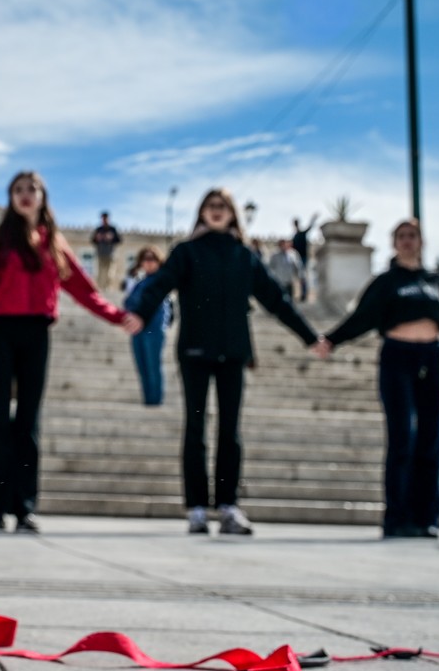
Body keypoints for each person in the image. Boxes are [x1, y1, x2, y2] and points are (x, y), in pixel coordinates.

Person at [0, 173, 139, 533]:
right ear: (10, 197)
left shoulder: (53, 243)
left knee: (28, 422)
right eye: (18, 190)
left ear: (42, 197)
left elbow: (84, 290)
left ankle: (24, 508)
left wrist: (117, 316)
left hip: (36, 333)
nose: (25, 195)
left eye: (31, 189)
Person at [129, 189, 319, 537]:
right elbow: (160, 285)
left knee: (230, 431)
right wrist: (139, 314)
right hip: (194, 352)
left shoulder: (243, 255)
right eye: (210, 206)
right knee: (196, 428)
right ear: (202, 213)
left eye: (222, 207)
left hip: (233, 353)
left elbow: (275, 299)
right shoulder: (186, 252)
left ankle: (229, 505)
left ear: (232, 214)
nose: (216, 212)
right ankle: (197, 509)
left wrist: (309, 337)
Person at [313, 219, 439, 540]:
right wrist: (331, 340)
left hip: (432, 359)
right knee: (402, 438)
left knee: (430, 439)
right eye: (401, 236)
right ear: (394, 243)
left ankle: (427, 517)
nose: (407, 241)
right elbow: (362, 317)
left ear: (421, 241)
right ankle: (396, 517)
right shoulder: (387, 282)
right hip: (397, 358)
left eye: (412, 236)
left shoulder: (435, 283)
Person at [122, 245, 171, 406]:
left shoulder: (161, 281)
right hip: (138, 330)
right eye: (145, 259)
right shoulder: (139, 283)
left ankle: (155, 400)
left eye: (152, 259)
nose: (148, 262)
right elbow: (128, 303)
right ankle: (149, 400)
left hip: (154, 329)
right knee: (142, 367)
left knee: (153, 366)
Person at [90, 212, 121, 291]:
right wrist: (97, 238)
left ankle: (108, 288)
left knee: (110, 272)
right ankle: (99, 288)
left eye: (105, 218)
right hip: (100, 254)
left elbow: (119, 240)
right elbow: (93, 240)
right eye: (103, 219)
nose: (104, 220)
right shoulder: (98, 229)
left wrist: (111, 238)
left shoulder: (112, 229)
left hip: (110, 254)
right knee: (100, 272)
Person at [291, 213, 319, 301]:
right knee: (299, 277)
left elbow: (309, 227)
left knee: (302, 277)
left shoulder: (301, 234)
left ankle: (304, 295)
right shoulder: (295, 236)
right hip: (296, 259)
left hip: (303, 258)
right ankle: (302, 294)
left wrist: (313, 219)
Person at [268, 239, 302, 304]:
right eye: (282, 244)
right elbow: (270, 267)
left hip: (289, 281)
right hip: (279, 281)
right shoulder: (275, 255)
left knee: (289, 299)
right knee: (280, 299)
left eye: (284, 244)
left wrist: (299, 276)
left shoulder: (292, 254)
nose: (283, 246)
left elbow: (296, 266)